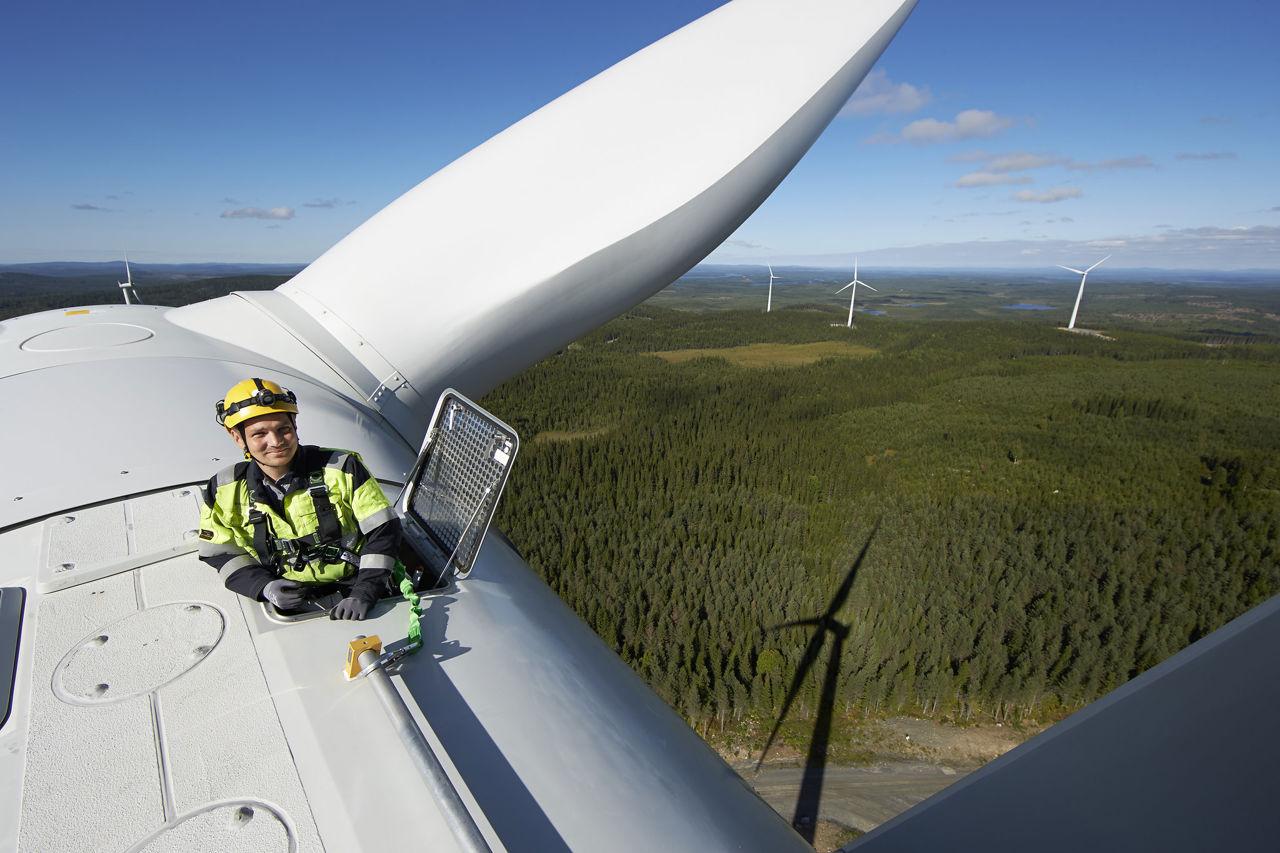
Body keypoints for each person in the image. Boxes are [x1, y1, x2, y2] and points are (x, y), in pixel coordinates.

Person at [197, 377, 401, 620]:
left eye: (283, 429)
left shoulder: (342, 468)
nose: (276, 442)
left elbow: (384, 531)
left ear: (294, 425)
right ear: (238, 438)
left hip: (355, 590)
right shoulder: (224, 488)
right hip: (288, 604)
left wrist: (365, 592)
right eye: (260, 434)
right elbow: (218, 552)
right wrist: (263, 587)